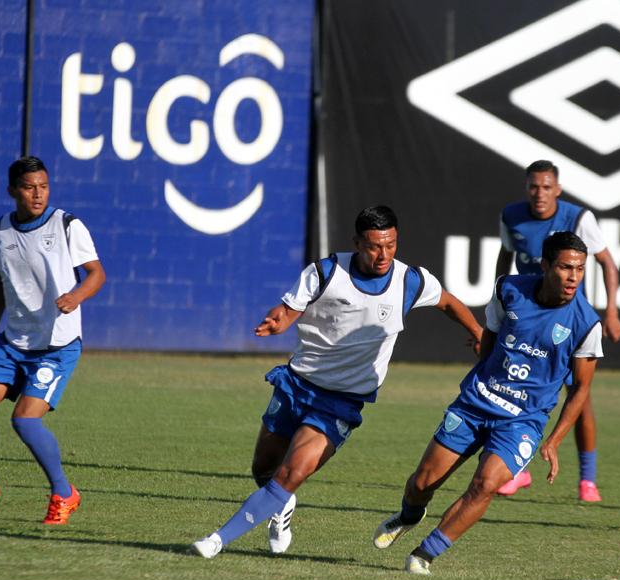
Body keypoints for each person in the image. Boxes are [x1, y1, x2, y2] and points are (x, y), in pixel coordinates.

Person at [192, 205, 483, 558]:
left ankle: (216, 540)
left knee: (293, 471)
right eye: (374, 246)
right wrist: (275, 322)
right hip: (298, 383)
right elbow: (286, 311)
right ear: (357, 242)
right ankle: (281, 507)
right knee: (264, 469)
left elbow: (448, 302)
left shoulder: (410, 280)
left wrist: (477, 331)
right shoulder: (326, 272)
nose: (383, 254)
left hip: (341, 401)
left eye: (390, 245)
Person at [373, 231, 603, 575]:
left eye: (580, 269)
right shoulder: (509, 290)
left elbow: (581, 389)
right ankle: (409, 515)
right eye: (565, 268)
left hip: (523, 422)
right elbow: (490, 339)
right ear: (545, 266)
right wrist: (485, 356)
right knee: (422, 483)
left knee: (485, 485)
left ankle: (424, 555)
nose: (573, 277)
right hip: (476, 403)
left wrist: (554, 441)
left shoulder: (586, 323)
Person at [0, 156, 106, 524]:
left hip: (56, 345)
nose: (38, 194)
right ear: (12, 191)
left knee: (25, 421)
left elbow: (96, 274)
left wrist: (76, 296)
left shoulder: (67, 224)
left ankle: (64, 493)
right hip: (13, 341)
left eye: (44, 186)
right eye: (29, 187)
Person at [494, 160, 620, 501]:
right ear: (527, 188)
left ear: (558, 189)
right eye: (534, 186)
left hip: (567, 322)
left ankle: (588, 480)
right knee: (516, 393)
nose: (540, 193)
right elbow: (504, 257)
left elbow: (608, 262)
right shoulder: (511, 215)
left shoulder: (579, 219)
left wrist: (611, 310)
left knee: (581, 397)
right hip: (529, 318)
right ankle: (517, 471)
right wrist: (498, 296)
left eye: (547, 187)